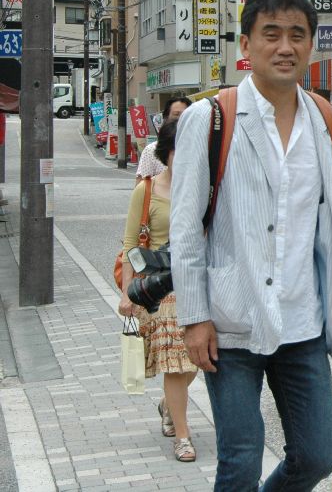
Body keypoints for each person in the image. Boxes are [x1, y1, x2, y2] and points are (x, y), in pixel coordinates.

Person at [170, 0, 332, 491]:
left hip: (302, 321)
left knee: (317, 455)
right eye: (271, 34)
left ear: (311, 45)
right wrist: (194, 317)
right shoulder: (209, 118)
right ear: (246, 44)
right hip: (231, 320)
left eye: (297, 34)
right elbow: (185, 228)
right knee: (241, 459)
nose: (285, 46)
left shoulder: (329, 123)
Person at [118, 119, 199, 463]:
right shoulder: (147, 190)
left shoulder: (204, 189)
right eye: (180, 150)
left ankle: (169, 404)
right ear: (167, 153)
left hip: (197, 282)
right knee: (176, 363)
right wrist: (126, 294)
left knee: (197, 359)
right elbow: (130, 243)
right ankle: (182, 436)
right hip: (161, 288)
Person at [135, 97, 192, 184]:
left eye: (185, 115)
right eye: (176, 114)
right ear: (166, 118)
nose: (181, 119)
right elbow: (141, 186)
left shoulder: (200, 147)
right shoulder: (151, 150)